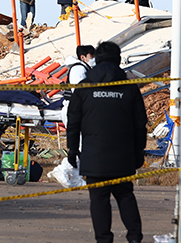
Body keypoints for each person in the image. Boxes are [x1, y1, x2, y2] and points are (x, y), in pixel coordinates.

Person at [67, 42, 148, 243]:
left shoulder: (84, 88)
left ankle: (104, 240)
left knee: (99, 200)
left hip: (94, 156)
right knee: (126, 196)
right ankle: (135, 238)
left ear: (97, 60)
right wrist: (139, 152)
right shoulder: (129, 88)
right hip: (123, 155)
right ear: (119, 61)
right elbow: (140, 124)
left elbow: (73, 121)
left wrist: (72, 149)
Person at [60, 44, 96, 126]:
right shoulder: (78, 69)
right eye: (92, 56)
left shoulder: (85, 68)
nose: (94, 58)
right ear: (83, 57)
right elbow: (79, 92)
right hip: (75, 110)